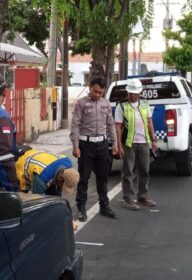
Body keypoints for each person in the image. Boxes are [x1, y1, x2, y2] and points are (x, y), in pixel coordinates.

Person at [70, 76, 118, 221]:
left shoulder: (106, 104)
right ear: (90, 87)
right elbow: (75, 125)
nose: (97, 95)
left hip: (102, 145)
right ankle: (81, 208)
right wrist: (75, 146)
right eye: (95, 91)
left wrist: (115, 143)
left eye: (100, 92)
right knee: (83, 178)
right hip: (86, 146)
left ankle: (104, 205)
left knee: (103, 177)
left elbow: (110, 124)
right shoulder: (81, 104)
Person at [115, 79, 158, 211]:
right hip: (129, 143)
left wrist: (153, 139)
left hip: (144, 142)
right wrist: (119, 145)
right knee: (128, 171)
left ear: (139, 93)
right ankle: (128, 199)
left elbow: (149, 122)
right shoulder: (121, 106)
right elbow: (118, 126)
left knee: (145, 170)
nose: (132, 95)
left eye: (135, 93)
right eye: (130, 93)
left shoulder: (145, 104)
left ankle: (142, 196)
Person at [15, 145, 79, 196]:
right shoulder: (42, 179)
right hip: (21, 163)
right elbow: (36, 200)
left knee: (55, 198)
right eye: (63, 186)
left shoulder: (67, 162)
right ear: (60, 178)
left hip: (37, 156)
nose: (62, 189)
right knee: (21, 198)